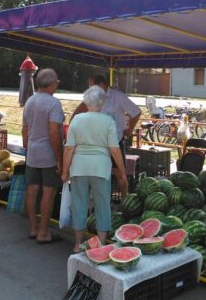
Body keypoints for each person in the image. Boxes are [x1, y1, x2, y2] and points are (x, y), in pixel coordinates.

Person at [62, 85, 128, 253]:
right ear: (102, 103)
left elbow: (69, 148)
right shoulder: (108, 121)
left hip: (79, 168)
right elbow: (114, 149)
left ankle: (77, 244)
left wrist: (64, 170)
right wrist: (122, 170)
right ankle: (101, 243)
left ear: (86, 102)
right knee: (102, 205)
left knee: (79, 204)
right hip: (101, 168)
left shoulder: (76, 120)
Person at [71, 74, 140, 193]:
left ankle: (126, 202)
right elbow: (74, 116)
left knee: (121, 175)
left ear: (102, 85)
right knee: (97, 174)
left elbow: (136, 112)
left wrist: (129, 130)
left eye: (92, 87)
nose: (91, 90)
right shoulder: (92, 97)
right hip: (96, 144)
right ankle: (98, 203)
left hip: (115, 143)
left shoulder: (117, 96)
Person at [22, 68, 65, 244]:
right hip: (48, 154)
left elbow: (24, 130)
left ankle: (33, 228)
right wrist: (59, 158)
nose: (57, 85)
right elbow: (54, 133)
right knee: (49, 192)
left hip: (32, 152)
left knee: (32, 190)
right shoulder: (53, 103)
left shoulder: (30, 101)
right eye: (56, 82)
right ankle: (44, 232)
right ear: (50, 83)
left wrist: (27, 148)